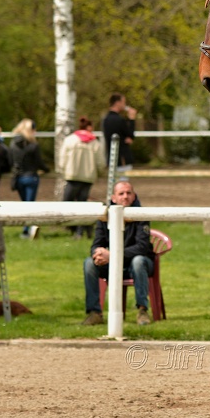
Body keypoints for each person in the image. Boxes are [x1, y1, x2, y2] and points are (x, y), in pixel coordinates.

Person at [81, 180, 153, 326]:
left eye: (129, 193)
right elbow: (96, 244)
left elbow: (142, 247)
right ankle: (94, 313)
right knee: (89, 263)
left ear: (134, 196)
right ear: (114, 198)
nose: (125, 196)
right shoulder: (104, 216)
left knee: (138, 260)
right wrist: (98, 254)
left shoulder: (142, 215)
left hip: (138, 264)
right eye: (121, 193)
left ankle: (143, 311)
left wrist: (112, 255)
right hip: (112, 264)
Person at [58, 116, 104, 239]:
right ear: (89, 127)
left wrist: (63, 171)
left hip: (72, 176)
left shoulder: (69, 140)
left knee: (68, 203)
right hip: (88, 177)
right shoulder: (95, 143)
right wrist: (99, 174)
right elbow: (100, 162)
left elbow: (62, 159)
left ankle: (72, 228)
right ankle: (82, 230)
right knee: (83, 204)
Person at [9, 119, 50, 238]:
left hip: (18, 178)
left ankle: (27, 227)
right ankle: (27, 229)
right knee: (30, 204)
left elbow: (11, 160)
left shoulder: (13, 144)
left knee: (24, 204)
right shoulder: (33, 145)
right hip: (31, 177)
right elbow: (39, 162)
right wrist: (47, 169)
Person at [102, 93, 138, 176]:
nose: (125, 105)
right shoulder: (119, 120)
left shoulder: (106, 119)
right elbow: (130, 134)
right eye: (123, 102)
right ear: (118, 103)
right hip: (122, 159)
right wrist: (132, 119)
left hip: (111, 158)